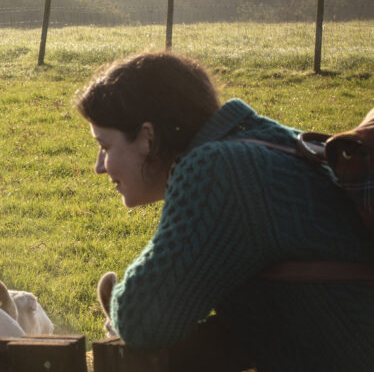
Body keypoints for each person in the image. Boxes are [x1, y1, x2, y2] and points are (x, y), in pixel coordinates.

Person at [76, 51, 374, 371]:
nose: (98, 167)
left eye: (105, 146)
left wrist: (118, 298)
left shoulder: (217, 170)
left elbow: (140, 319)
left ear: (148, 137)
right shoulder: (266, 139)